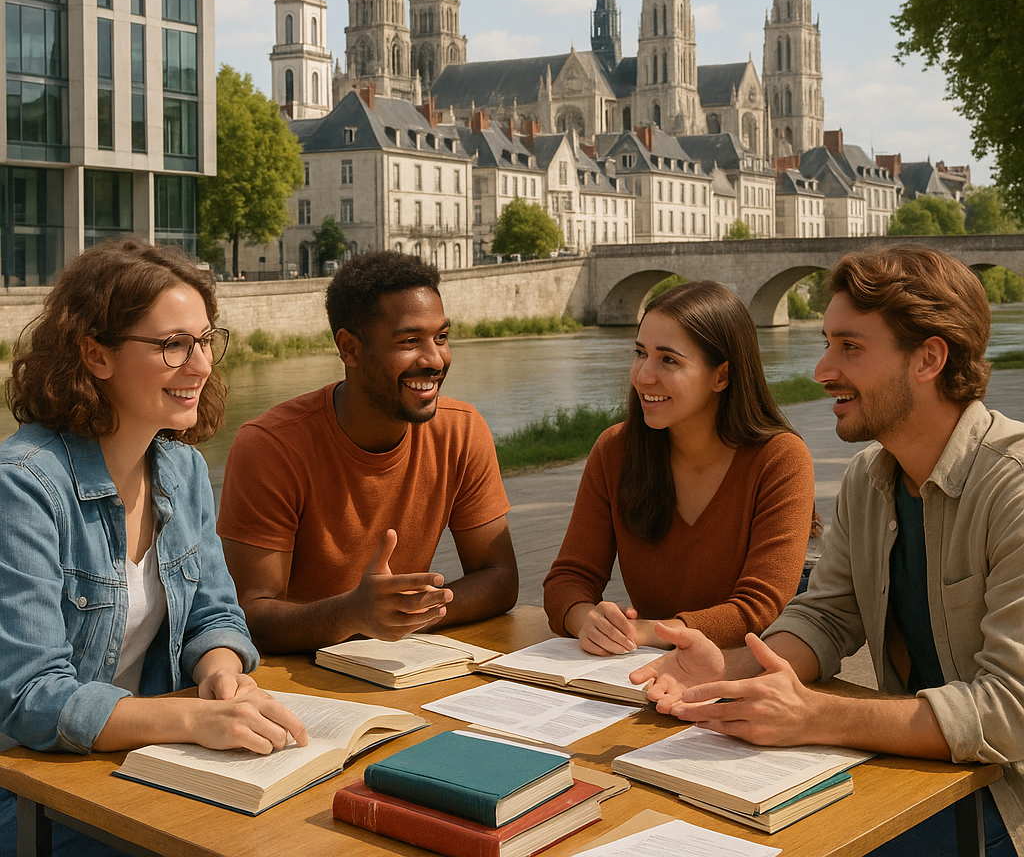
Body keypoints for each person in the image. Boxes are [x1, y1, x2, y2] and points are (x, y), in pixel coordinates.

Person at [630, 246, 1024, 857]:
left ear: (929, 358)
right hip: (921, 774)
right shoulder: (872, 476)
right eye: (826, 343)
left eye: (850, 347)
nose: (821, 369)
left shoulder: (1015, 489)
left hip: (1005, 797)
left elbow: (1008, 712)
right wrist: (731, 669)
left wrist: (814, 716)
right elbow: (827, 615)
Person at [0, 238, 306, 856]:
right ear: (96, 354)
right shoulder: (22, 486)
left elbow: (216, 613)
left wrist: (220, 675)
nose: (200, 366)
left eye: (204, 341)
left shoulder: (182, 469)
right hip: (30, 792)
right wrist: (194, 718)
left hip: (134, 768)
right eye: (172, 345)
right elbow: (30, 699)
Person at [217, 250, 518, 654]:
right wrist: (352, 615)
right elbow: (247, 618)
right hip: (295, 682)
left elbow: (498, 576)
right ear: (350, 349)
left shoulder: (462, 430)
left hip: (400, 666)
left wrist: (411, 614)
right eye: (410, 341)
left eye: (441, 337)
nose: (435, 359)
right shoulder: (270, 447)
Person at [543, 281, 815, 654]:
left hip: (742, 681)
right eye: (640, 353)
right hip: (642, 675)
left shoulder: (781, 459)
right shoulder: (614, 450)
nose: (643, 376)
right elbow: (568, 579)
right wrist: (586, 619)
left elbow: (759, 610)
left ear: (721, 376)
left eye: (668, 360)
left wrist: (645, 632)